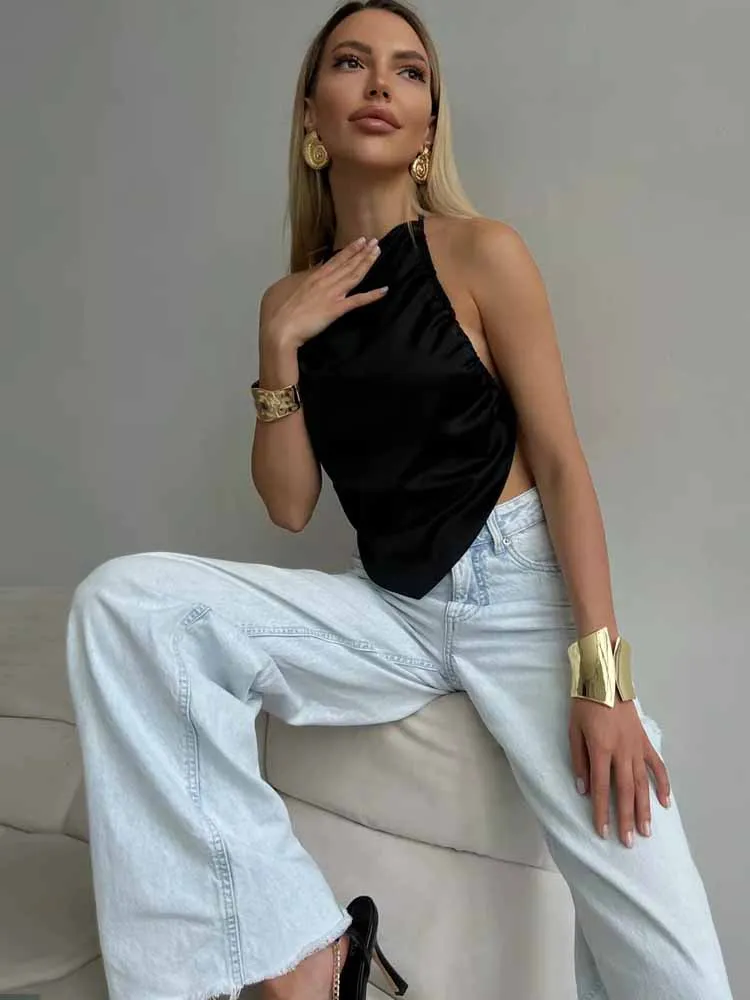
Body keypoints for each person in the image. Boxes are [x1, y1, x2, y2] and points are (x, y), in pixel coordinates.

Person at [65, 2, 734, 999]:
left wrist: (603, 680)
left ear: (427, 126)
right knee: (126, 604)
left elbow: (561, 464)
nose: (381, 84)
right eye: (352, 63)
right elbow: (290, 505)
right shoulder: (289, 301)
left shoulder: (481, 253)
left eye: (409, 71)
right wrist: (278, 346)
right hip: (389, 608)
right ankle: (299, 952)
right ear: (311, 114)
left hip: (520, 600)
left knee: (673, 960)